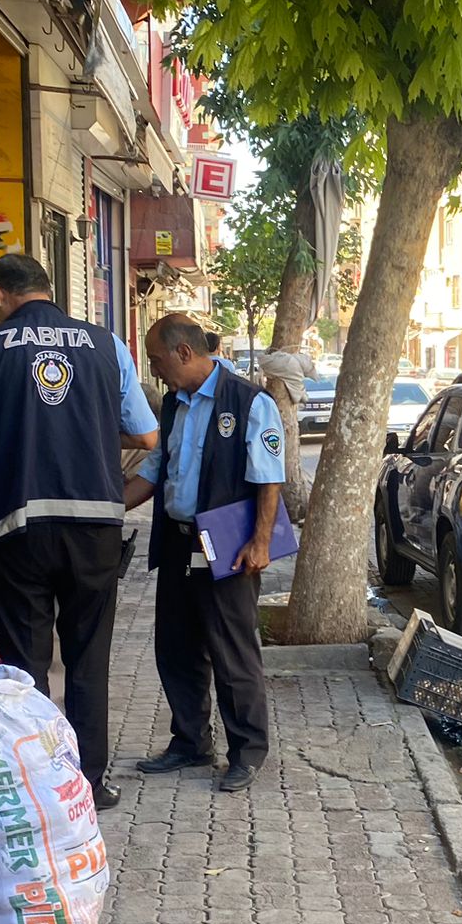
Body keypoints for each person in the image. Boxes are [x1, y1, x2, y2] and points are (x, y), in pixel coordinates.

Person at [0, 252, 158, 810]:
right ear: (46, 288)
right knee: (89, 658)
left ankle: (37, 778)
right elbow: (146, 437)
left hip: (15, 528)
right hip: (94, 528)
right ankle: (88, 781)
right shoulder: (106, 345)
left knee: (26, 662)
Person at [123, 315, 287, 793]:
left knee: (231, 649)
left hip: (227, 544)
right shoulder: (174, 405)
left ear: (184, 353)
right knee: (175, 646)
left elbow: (268, 475)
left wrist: (260, 541)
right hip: (178, 542)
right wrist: (106, 507)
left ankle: (247, 750)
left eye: (155, 360)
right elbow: (154, 470)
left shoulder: (249, 401)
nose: (154, 371)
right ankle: (191, 742)